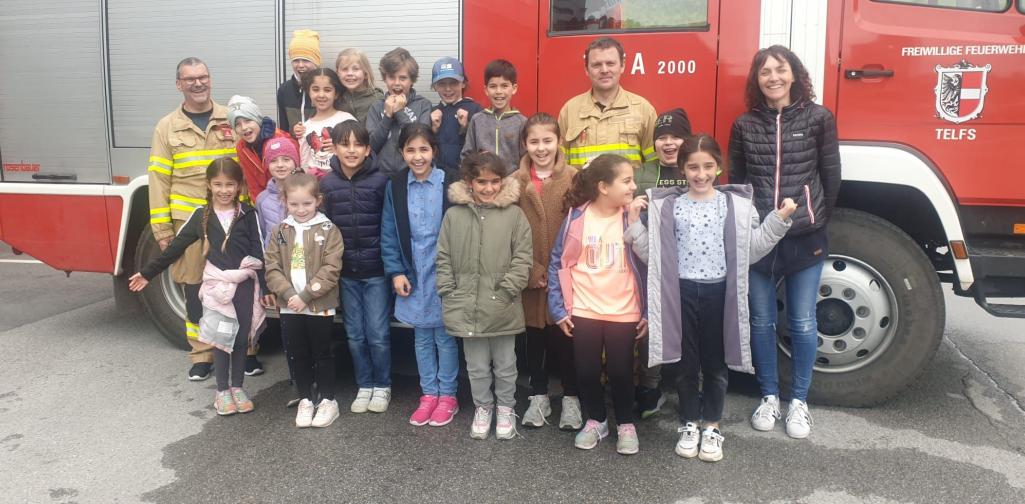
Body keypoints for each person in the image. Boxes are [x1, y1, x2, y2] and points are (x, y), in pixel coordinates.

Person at [626, 134, 795, 462]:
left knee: (716, 365)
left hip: (721, 294)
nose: (700, 174)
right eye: (692, 167)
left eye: (707, 166)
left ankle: (712, 425)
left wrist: (780, 219)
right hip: (682, 294)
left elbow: (753, 249)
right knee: (687, 365)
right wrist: (634, 224)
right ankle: (689, 422)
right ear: (682, 168)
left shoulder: (735, 205)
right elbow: (656, 259)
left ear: (719, 168)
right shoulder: (669, 206)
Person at [729, 45, 841, 439]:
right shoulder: (744, 124)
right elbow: (737, 182)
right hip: (759, 239)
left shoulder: (818, 118)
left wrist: (814, 217)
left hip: (803, 237)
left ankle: (799, 402)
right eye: (764, 72)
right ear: (756, 80)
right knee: (761, 322)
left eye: (780, 70)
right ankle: (769, 397)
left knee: (803, 321)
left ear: (794, 74)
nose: (772, 78)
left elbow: (831, 176)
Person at [147, 57, 265, 380]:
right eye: (190, 79)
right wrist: (162, 229)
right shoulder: (166, 127)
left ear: (210, 79)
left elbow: (252, 163)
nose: (198, 83)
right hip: (189, 222)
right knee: (196, 288)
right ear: (178, 84)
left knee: (239, 285)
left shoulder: (231, 117)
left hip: (232, 221)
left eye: (203, 77)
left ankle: (247, 350)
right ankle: (201, 353)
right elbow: (158, 179)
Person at [130, 157, 272, 415]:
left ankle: (237, 387)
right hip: (217, 288)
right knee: (221, 338)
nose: (224, 190)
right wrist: (147, 273)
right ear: (208, 185)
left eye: (230, 184)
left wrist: (265, 288)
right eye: (218, 184)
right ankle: (221, 392)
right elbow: (175, 248)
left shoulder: (248, 214)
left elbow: (258, 252)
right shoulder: (200, 216)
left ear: (239, 186)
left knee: (241, 338)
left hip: (242, 285)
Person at [547, 154, 647, 455]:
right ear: (604, 187)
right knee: (587, 371)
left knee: (620, 371)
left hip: (624, 311)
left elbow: (651, 265)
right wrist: (559, 309)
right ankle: (596, 420)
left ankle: (626, 423)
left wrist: (648, 312)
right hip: (584, 308)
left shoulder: (635, 216)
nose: (633, 186)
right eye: (626, 181)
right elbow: (557, 263)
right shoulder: (577, 218)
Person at [437, 151, 532, 440]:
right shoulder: (454, 216)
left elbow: (523, 258)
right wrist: (448, 291)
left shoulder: (514, 215)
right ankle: (483, 407)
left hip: (502, 304)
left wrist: (506, 291)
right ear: (469, 182)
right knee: (476, 366)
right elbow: (443, 257)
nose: (488, 188)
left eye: (494, 181)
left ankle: (505, 407)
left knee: (505, 364)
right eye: (481, 182)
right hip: (465, 304)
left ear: (503, 182)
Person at [380, 124, 460, 427]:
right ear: (402, 152)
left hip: (443, 269)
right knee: (422, 337)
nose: (417, 156)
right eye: (410, 150)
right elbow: (388, 231)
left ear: (434, 151)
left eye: (423, 149)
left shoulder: (449, 182)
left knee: (445, 336)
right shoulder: (397, 185)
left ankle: (448, 395)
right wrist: (396, 271)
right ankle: (428, 394)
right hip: (413, 270)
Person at [511, 113, 582, 430]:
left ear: (559, 142)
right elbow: (508, 234)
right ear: (525, 144)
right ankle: (538, 396)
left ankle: (571, 398)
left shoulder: (575, 179)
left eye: (547, 140)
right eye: (534, 141)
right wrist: (531, 269)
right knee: (533, 340)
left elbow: (585, 229)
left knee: (567, 340)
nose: (541, 148)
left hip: (566, 277)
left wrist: (562, 271)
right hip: (531, 277)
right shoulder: (514, 183)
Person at [320, 121, 393, 414]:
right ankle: (364, 384)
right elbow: (322, 230)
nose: (351, 150)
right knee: (355, 334)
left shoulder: (380, 181)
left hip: (376, 271)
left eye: (357, 145)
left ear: (367, 149)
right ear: (335, 148)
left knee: (377, 332)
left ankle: (383, 385)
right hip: (345, 273)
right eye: (345, 144)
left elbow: (389, 227)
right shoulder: (326, 184)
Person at [265, 172, 345, 428]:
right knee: (297, 354)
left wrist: (306, 295)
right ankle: (306, 399)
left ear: (318, 200)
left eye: (307, 203)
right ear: (285, 201)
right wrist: (290, 296)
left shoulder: (329, 230)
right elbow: (272, 266)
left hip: (318, 305)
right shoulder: (280, 231)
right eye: (294, 204)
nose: (301, 209)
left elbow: (331, 268)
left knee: (321, 352)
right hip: (290, 307)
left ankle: (328, 401)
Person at [633, 107, 693, 419]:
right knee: (652, 328)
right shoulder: (642, 172)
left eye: (676, 137)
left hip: (692, 265)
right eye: (662, 138)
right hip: (652, 263)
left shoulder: (698, 166)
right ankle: (650, 387)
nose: (668, 144)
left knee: (690, 330)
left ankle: (687, 388)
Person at [557, 37, 657, 168]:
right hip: (582, 189)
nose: (604, 70)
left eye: (610, 63)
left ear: (622, 65)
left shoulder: (643, 109)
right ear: (587, 69)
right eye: (596, 65)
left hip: (630, 189)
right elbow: (559, 166)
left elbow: (654, 166)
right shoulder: (570, 110)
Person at [367, 47, 433, 176]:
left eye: (403, 78)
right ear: (385, 79)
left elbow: (421, 140)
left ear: (412, 80)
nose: (397, 83)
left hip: (412, 174)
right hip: (381, 175)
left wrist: (399, 111)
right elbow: (371, 147)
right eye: (391, 77)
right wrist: (387, 116)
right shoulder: (376, 107)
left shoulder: (423, 105)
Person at [228, 95, 297, 201]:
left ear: (258, 120)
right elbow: (253, 184)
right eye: (237, 124)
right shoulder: (241, 148)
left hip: (292, 199)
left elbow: (298, 173)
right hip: (266, 202)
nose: (244, 127)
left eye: (247, 120)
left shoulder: (282, 139)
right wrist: (260, 207)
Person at [461, 59, 525, 171]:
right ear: (486, 90)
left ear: (514, 89)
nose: (498, 91)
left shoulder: (522, 122)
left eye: (504, 86)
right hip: (483, 184)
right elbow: (467, 155)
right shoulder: (477, 120)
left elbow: (526, 159)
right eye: (493, 86)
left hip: (512, 185)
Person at [295, 69, 356, 178]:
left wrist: (338, 149)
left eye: (327, 90)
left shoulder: (346, 119)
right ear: (309, 92)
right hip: (315, 185)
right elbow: (304, 161)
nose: (321, 95)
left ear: (336, 94)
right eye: (315, 89)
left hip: (342, 182)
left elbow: (357, 150)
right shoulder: (305, 127)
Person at [430, 57, 482, 172]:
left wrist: (466, 127)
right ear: (435, 86)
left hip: (465, 176)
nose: (448, 89)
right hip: (437, 177)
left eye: (453, 83)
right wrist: (432, 130)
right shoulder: (431, 112)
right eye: (442, 84)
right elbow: (423, 148)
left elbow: (483, 145)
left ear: (463, 83)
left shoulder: (475, 109)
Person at [634, 108, 692, 193]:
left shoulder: (701, 170)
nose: (668, 142)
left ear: (687, 142)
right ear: (654, 145)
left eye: (675, 137)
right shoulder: (640, 173)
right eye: (661, 138)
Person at [255, 139, 301, 246]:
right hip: (274, 259)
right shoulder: (262, 199)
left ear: (295, 162)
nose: (280, 165)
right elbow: (262, 232)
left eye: (286, 159)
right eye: (273, 161)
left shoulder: (307, 192)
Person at [277, 29, 320, 134]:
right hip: (293, 148)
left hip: (320, 148)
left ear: (316, 61)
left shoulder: (326, 88)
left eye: (306, 60)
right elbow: (284, 129)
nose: (300, 65)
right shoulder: (284, 90)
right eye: (296, 60)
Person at [335, 48, 385, 125]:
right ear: (338, 72)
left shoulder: (378, 99)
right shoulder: (336, 98)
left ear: (365, 73)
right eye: (344, 69)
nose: (350, 73)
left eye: (355, 69)